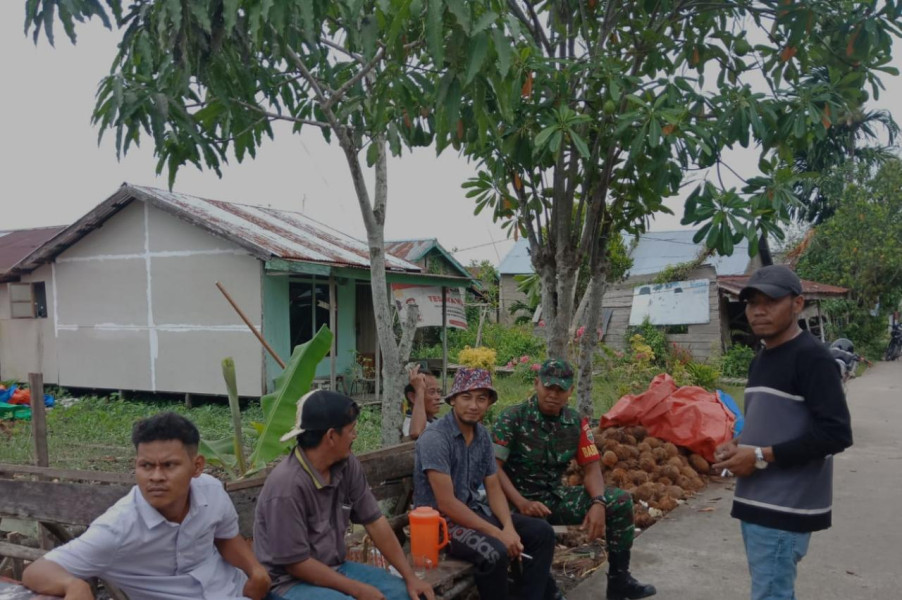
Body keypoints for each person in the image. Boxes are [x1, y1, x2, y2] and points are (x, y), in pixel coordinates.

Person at [713, 265, 853, 600]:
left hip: (783, 508)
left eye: (770, 301)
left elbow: (836, 434)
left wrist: (759, 456)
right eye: (751, 302)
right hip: (756, 500)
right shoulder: (761, 358)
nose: (758, 311)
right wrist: (737, 445)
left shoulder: (812, 358)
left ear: (797, 304)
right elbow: (770, 421)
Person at [22, 412, 271, 600]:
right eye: (146, 466)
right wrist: (72, 584)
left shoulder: (212, 492)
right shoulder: (118, 528)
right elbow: (37, 571)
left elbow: (226, 537)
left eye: (169, 465)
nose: (156, 477)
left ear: (197, 467)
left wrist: (255, 569)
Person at [492, 358, 656, 600]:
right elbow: (492, 469)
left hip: (552, 499)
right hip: (511, 504)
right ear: (537, 384)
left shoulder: (575, 422)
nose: (553, 394)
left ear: (570, 391)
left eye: (560, 389)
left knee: (618, 501)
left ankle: (619, 582)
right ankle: (544, 586)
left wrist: (598, 502)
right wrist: (522, 501)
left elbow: (591, 469)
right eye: (548, 387)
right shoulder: (513, 418)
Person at [253, 390, 434, 600]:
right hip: (288, 584)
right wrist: (356, 589)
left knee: (406, 594)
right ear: (331, 436)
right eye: (351, 430)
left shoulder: (347, 464)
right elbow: (296, 564)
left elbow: (375, 521)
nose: (355, 436)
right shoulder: (286, 486)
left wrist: (410, 576)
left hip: (335, 567)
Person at [413, 367, 559, 600]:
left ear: (489, 403)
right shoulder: (435, 438)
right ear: (453, 401)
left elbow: (493, 487)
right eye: (466, 397)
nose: (474, 405)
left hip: (475, 514)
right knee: (495, 552)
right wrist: (498, 534)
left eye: (481, 398)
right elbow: (447, 503)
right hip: (440, 525)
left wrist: (508, 527)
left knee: (542, 532)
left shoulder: (482, 436)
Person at [403, 364, 442, 439]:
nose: (438, 397)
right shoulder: (410, 426)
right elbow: (417, 433)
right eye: (432, 392)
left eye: (438, 392)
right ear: (412, 397)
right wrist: (419, 389)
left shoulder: (433, 420)